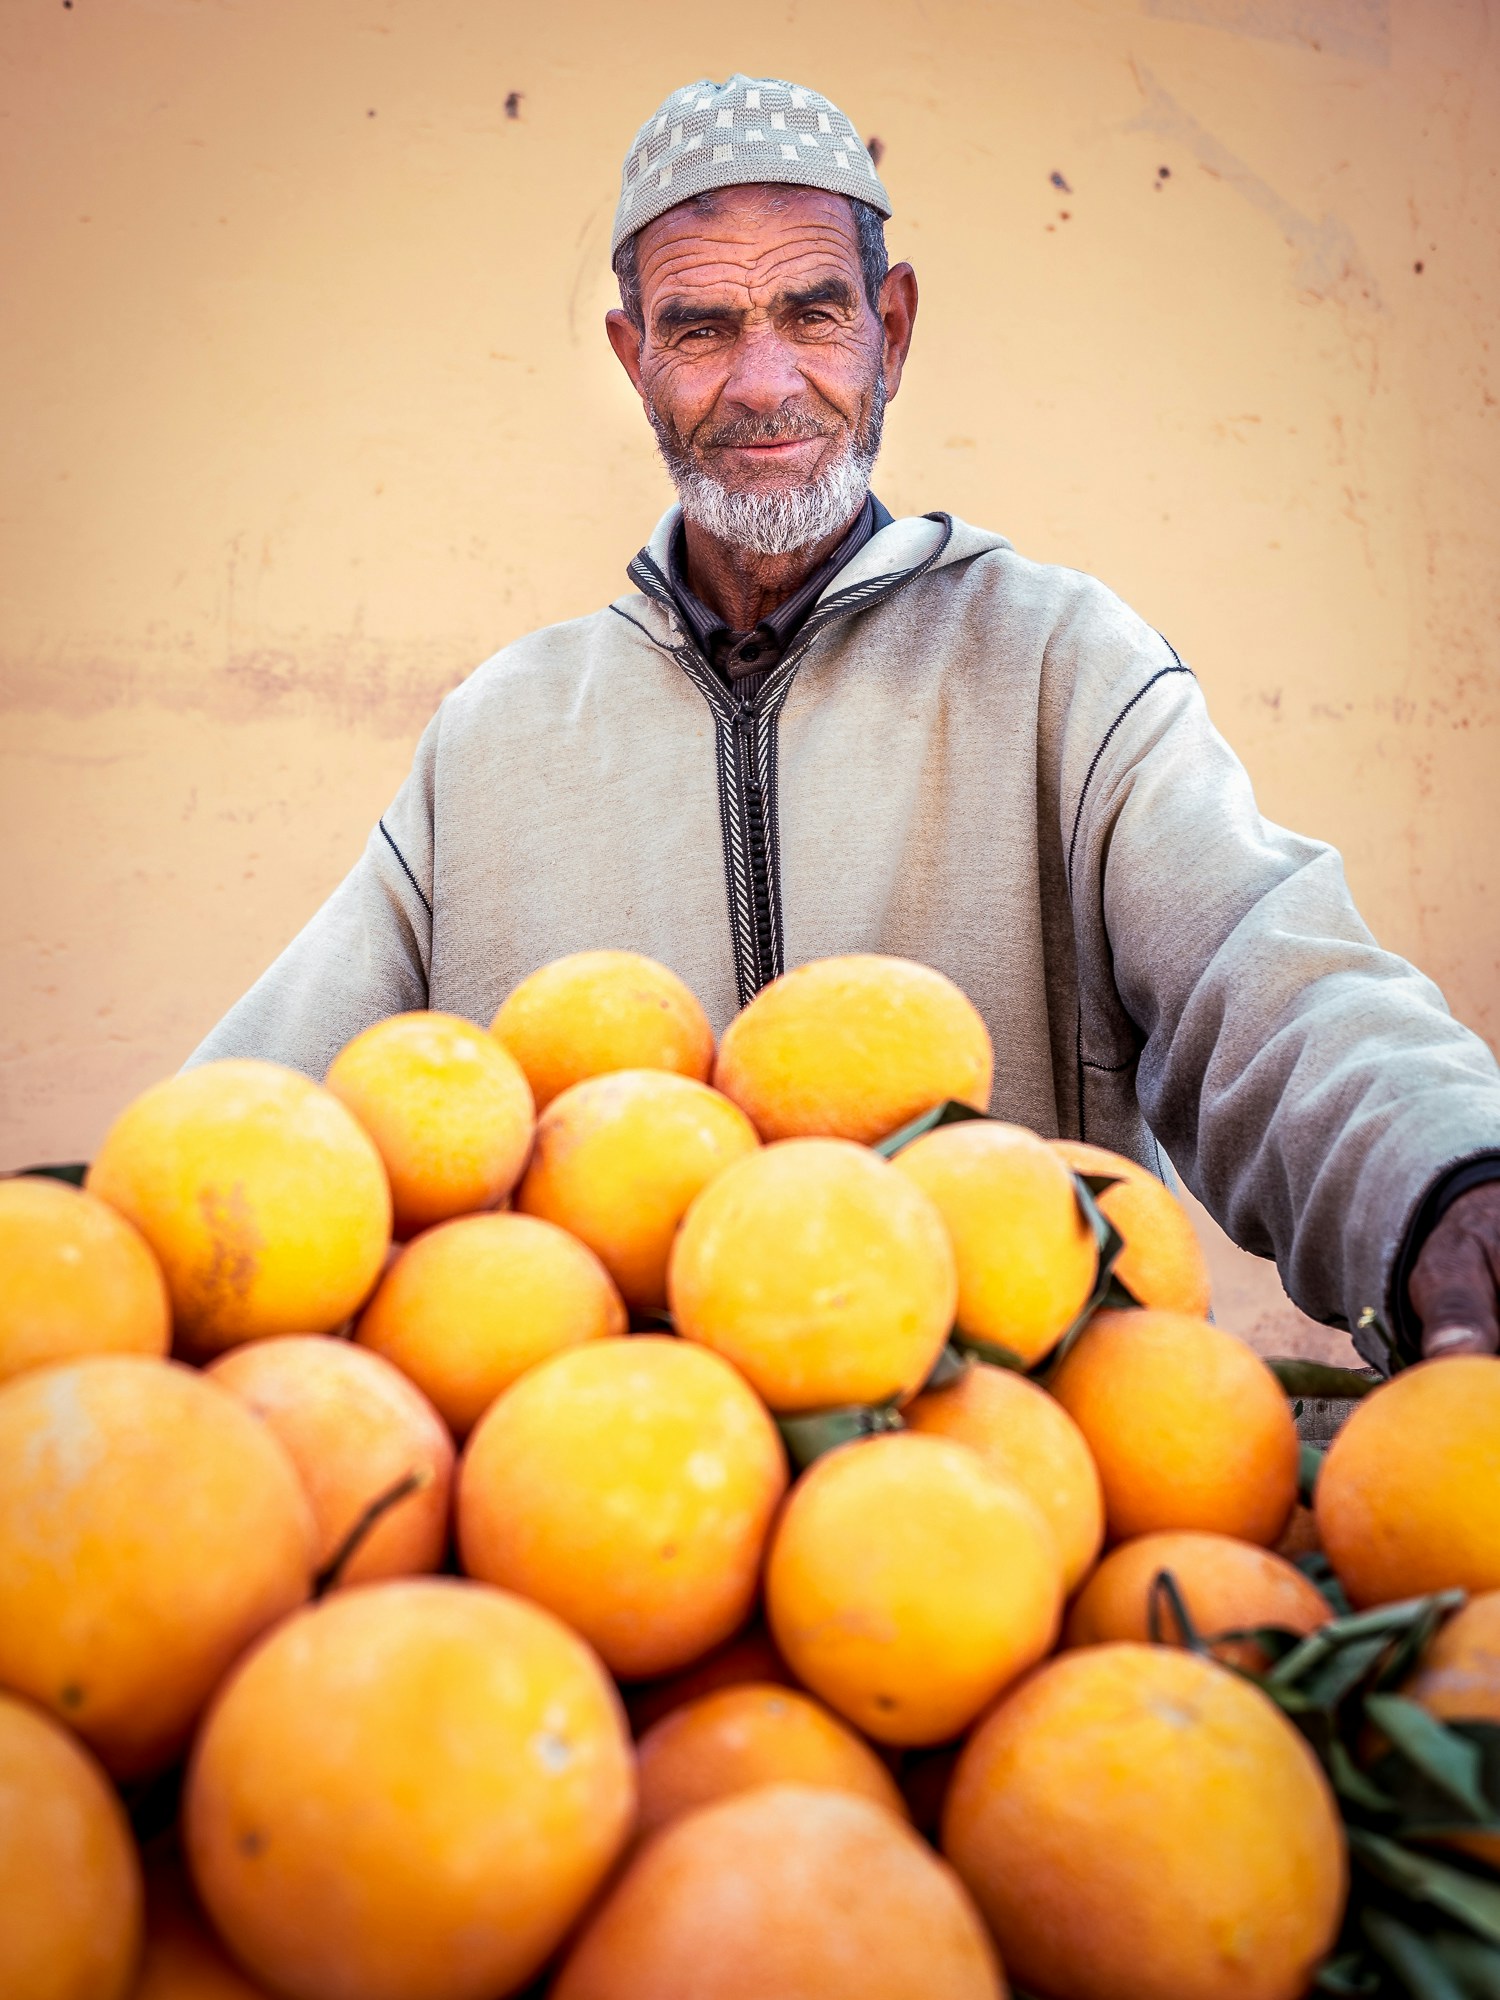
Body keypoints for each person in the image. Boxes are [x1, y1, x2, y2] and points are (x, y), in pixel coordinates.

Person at [189, 74, 1500, 1368]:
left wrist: (1444, 1182)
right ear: (632, 355)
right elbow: (262, 1114)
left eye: (812, 313)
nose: (764, 384)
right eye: (700, 329)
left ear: (894, 325)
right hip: (608, 1502)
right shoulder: (496, 740)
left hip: (1010, 1488)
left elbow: (1264, 973)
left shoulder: (1059, 663)